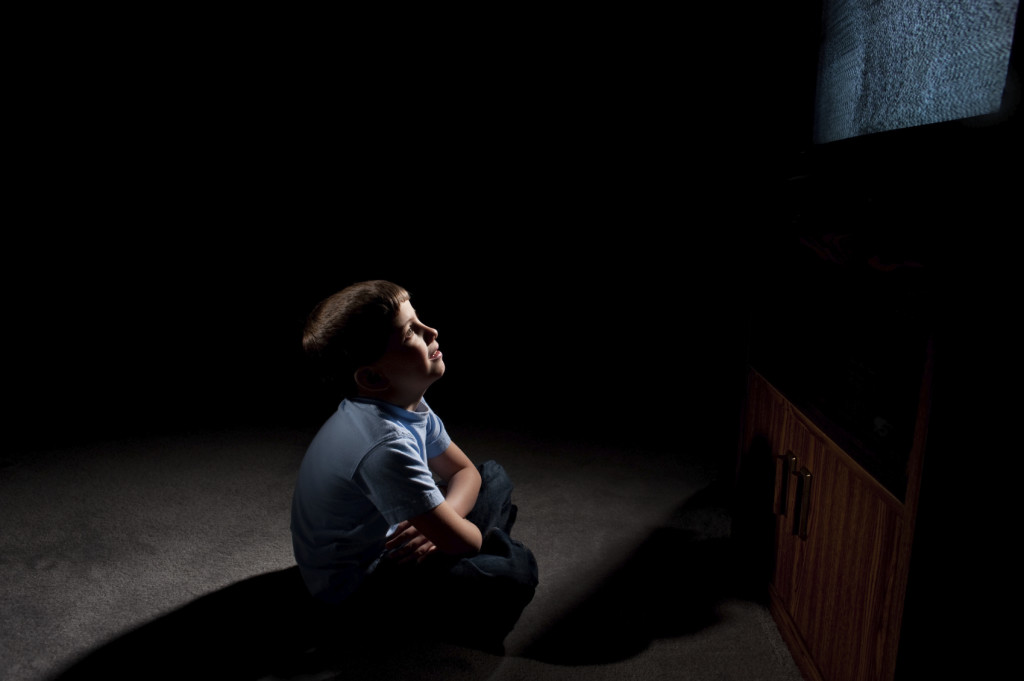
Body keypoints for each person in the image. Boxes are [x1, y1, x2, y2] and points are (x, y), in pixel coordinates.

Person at [290, 280, 538, 653]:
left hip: (397, 532)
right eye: (411, 331)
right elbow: (465, 539)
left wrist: (439, 525)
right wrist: (450, 533)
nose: (431, 331)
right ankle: (473, 572)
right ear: (373, 377)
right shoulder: (383, 444)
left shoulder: (407, 404)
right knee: (518, 573)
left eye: (419, 320)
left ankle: (459, 541)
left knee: (493, 475)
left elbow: (465, 472)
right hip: (360, 585)